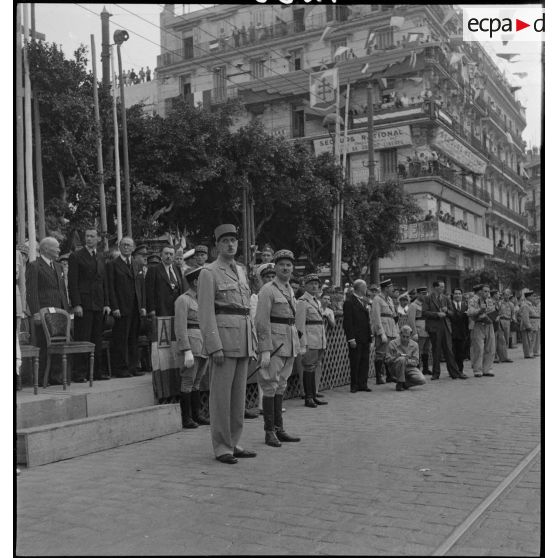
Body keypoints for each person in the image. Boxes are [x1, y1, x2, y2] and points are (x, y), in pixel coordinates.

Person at [198, 224, 257, 464]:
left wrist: (251, 342)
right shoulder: (208, 272)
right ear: (216, 246)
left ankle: (233, 441)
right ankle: (222, 446)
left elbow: (245, 309)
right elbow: (205, 312)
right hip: (223, 340)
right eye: (225, 241)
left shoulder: (241, 271)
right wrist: (214, 345)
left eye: (234, 240)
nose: (231, 245)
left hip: (242, 340)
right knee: (221, 397)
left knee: (237, 396)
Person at [255, 249, 301, 447]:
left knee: (281, 384)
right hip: (274, 344)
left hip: (289, 343)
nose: (285, 268)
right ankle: (269, 431)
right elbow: (261, 321)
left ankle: (279, 429)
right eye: (281, 264)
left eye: (289, 265)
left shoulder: (290, 289)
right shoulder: (268, 290)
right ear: (275, 267)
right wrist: (264, 349)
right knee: (269, 385)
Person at [67, 228, 111, 382]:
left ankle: (96, 372)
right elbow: (73, 283)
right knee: (83, 338)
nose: (89, 239)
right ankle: (80, 373)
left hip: (98, 304)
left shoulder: (100, 257)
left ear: (98, 239)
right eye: (87, 236)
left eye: (92, 236)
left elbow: (103, 281)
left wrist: (106, 303)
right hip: (84, 304)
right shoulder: (76, 256)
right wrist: (76, 304)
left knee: (96, 339)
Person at [26, 237, 70, 385]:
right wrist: (36, 312)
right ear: (45, 249)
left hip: (59, 312)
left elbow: (62, 290)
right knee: (43, 345)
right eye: (56, 248)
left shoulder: (57, 266)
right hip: (43, 312)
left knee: (58, 344)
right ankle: (41, 378)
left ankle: (55, 376)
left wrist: (66, 310)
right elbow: (31, 291)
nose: (59, 250)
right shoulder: (34, 266)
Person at [106, 237, 147, 378]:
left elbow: (141, 287)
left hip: (136, 307)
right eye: (123, 245)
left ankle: (133, 366)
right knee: (121, 339)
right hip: (121, 307)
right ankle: (121, 368)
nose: (126, 248)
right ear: (119, 247)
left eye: (129, 245)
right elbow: (110, 287)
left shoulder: (137, 264)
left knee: (133, 338)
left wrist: (143, 306)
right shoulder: (112, 264)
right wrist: (114, 306)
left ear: (133, 247)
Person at [174, 266, 209, 429]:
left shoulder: (203, 299)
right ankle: (186, 417)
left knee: (197, 382)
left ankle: (197, 414)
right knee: (188, 381)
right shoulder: (183, 300)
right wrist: (186, 349)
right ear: (195, 281)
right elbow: (180, 327)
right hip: (191, 346)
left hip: (203, 346)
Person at [295, 273, 328, 408]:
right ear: (305, 286)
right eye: (311, 284)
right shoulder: (302, 302)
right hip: (310, 340)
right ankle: (308, 397)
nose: (315, 286)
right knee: (308, 368)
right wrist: (303, 343)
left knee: (313, 367)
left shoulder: (316, 301)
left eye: (316, 283)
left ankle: (313, 395)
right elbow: (300, 325)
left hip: (319, 339)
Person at [422, 281, 466, 380]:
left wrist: (447, 311)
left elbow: (452, 313)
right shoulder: (428, 298)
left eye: (443, 287)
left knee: (449, 350)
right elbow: (424, 312)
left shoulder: (446, 298)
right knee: (436, 350)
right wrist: (437, 314)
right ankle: (435, 373)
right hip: (434, 327)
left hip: (445, 326)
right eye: (441, 287)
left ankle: (454, 373)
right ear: (435, 287)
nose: (443, 288)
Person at [342, 279, 373, 393]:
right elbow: (348, 322)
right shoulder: (349, 302)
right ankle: (354, 385)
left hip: (365, 336)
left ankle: (363, 384)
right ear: (360, 288)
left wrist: (370, 334)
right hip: (355, 337)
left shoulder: (364, 301)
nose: (366, 290)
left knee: (365, 361)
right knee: (355, 361)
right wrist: (351, 338)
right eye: (365, 287)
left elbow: (367, 320)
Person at [370, 279, 399, 384]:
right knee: (380, 354)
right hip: (384, 330)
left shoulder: (390, 299)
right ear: (386, 288)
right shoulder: (377, 299)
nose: (392, 289)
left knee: (389, 354)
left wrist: (396, 331)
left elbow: (393, 316)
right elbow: (376, 317)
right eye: (390, 287)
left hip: (391, 329)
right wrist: (381, 333)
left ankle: (389, 375)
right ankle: (378, 377)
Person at [145, 245, 184, 318]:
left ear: (174, 256)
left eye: (171, 254)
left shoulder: (177, 269)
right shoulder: (153, 269)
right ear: (161, 255)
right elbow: (149, 291)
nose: (169, 256)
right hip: (160, 310)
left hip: (176, 310)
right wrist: (151, 310)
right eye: (166, 253)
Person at [467, 284, 496, 377]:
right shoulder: (473, 300)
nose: (487, 293)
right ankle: (477, 370)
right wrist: (480, 311)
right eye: (485, 291)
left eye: (488, 291)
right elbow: (470, 312)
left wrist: (487, 315)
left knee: (490, 347)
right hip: (478, 325)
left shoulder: (490, 301)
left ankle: (487, 369)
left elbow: (493, 311)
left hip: (489, 324)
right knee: (479, 348)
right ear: (480, 292)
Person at [385, 325, 426, 392]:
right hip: (395, 367)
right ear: (400, 334)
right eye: (403, 336)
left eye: (407, 337)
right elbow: (387, 360)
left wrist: (406, 360)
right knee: (401, 359)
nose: (405, 339)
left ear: (410, 336)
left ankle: (405, 384)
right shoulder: (392, 343)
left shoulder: (415, 345)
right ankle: (400, 384)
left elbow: (416, 361)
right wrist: (396, 357)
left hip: (409, 367)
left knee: (422, 380)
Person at [407, 286, 432, 375]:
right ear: (417, 294)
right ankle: (416, 369)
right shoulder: (413, 305)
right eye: (422, 294)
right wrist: (414, 332)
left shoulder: (426, 304)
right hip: (419, 330)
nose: (424, 295)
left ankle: (425, 368)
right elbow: (411, 319)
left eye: (425, 293)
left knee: (426, 350)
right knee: (417, 350)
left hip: (427, 330)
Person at [448, 287, 469, 374]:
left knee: (461, 353)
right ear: (453, 295)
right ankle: (453, 370)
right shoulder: (449, 305)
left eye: (459, 294)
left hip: (463, 332)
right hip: (451, 332)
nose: (457, 295)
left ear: (462, 295)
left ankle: (460, 370)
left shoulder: (465, 305)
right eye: (456, 293)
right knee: (452, 353)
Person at [497, 289, 515, 362]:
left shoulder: (511, 304)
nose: (506, 296)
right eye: (505, 294)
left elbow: (513, 313)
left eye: (508, 295)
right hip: (501, 321)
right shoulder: (500, 303)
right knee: (501, 339)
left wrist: (513, 319)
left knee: (507, 339)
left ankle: (505, 356)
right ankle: (500, 357)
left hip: (508, 322)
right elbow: (497, 312)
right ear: (503, 295)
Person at [519, 290, 537, 358]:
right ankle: (527, 354)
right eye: (532, 296)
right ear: (528, 297)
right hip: (526, 326)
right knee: (527, 341)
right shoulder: (525, 305)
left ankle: (529, 353)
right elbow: (525, 317)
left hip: (531, 324)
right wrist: (528, 326)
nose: (533, 298)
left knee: (530, 340)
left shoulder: (529, 304)